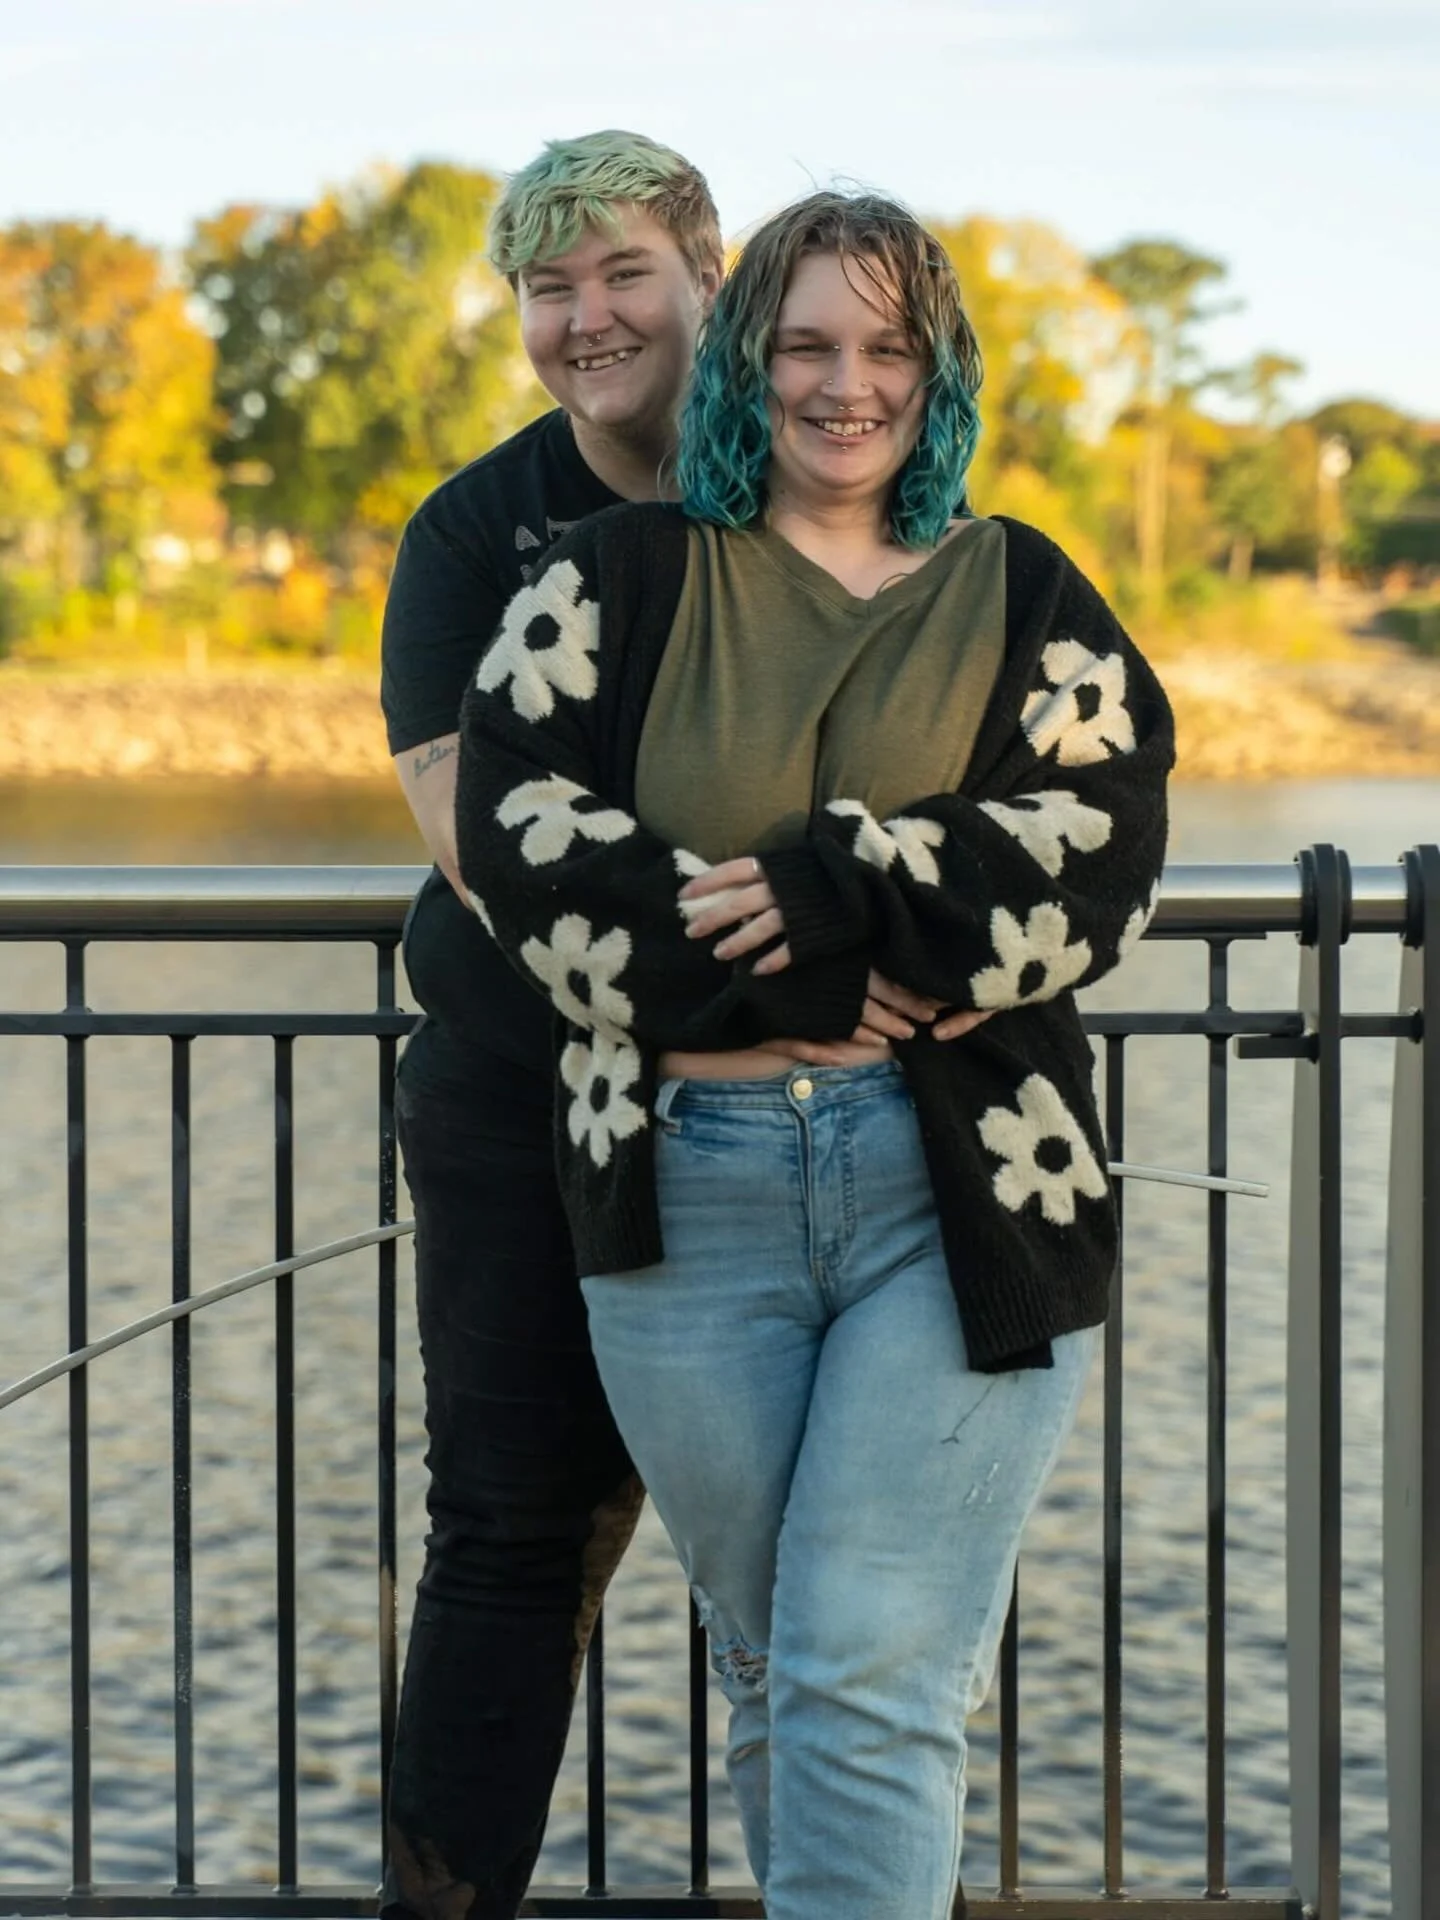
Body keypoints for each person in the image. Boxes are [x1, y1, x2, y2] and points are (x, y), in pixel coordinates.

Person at [453, 190, 1175, 1920]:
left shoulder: (1025, 592)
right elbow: (524, 837)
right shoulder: (613, 579)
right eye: (806, 346)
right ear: (749, 364)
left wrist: (839, 882)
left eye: (888, 350)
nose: (847, 385)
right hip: (684, 1212)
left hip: (959, 1192)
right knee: (786, 1659)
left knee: (866, 1667)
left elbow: (1099, 852)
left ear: (938, 376)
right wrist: (767, 987)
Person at [377, 131, 723, 1920]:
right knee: (513, 1540)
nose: (586, 321)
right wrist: (781, 911)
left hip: (788, 1117)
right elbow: (476, 841)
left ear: (706, 277)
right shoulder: (467, 532)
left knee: (821, 1576)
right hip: (518, 1104)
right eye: (547, 288)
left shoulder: (825, 494)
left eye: (623, 275)